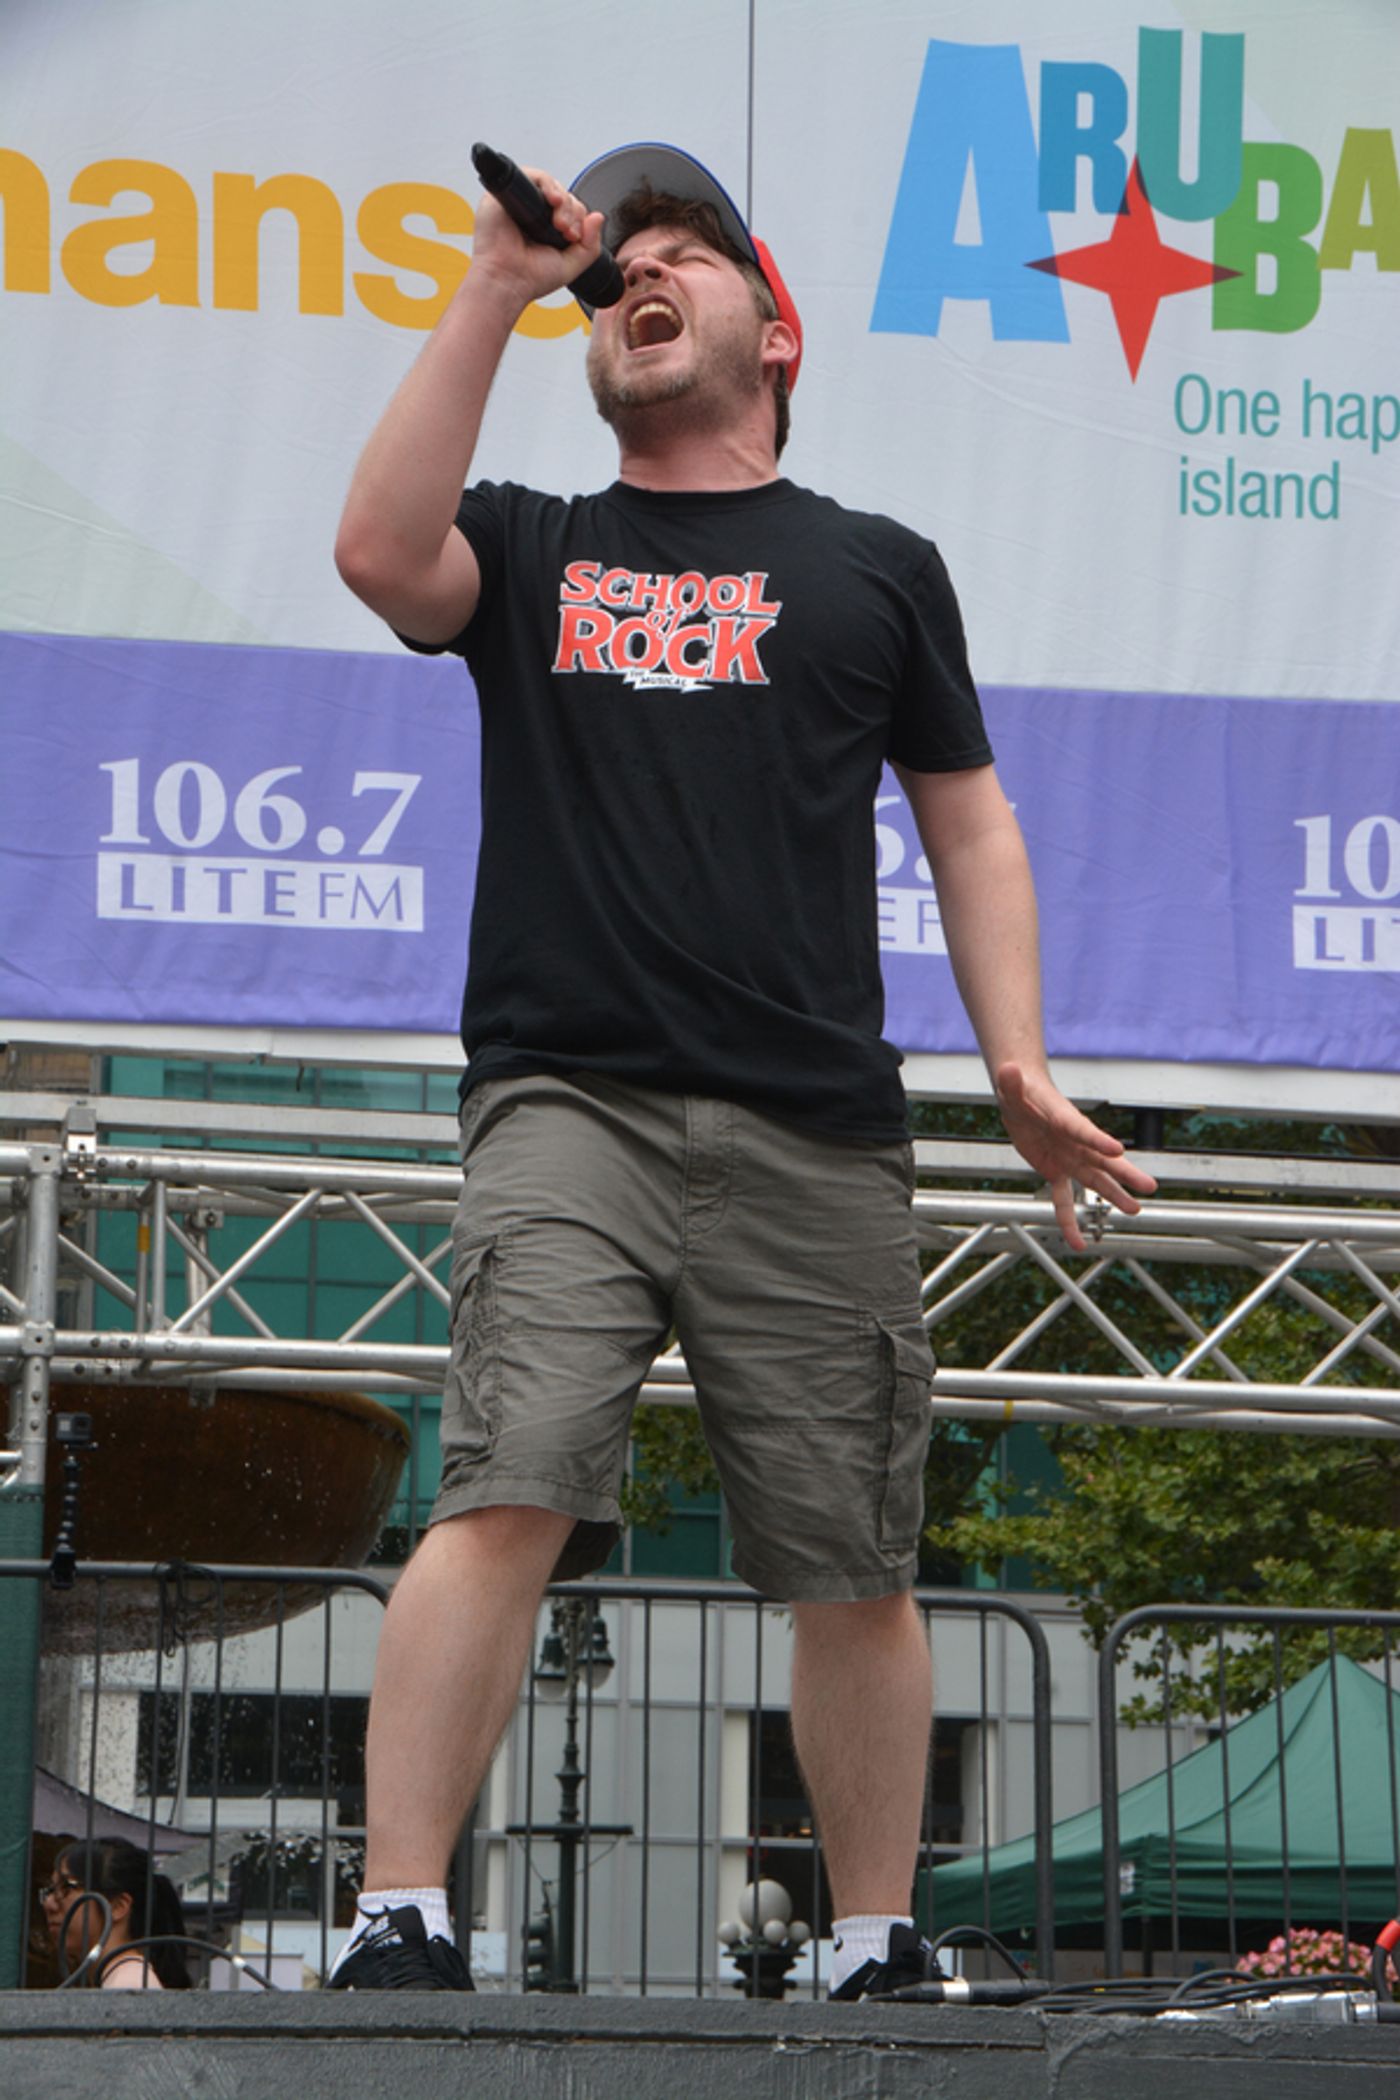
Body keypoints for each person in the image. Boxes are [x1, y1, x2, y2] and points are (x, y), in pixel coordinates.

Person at [329, 142, 1156, 1999]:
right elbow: (382, 553)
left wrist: (1015, 1065)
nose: (638, 280)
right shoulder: (539, 542)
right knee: (504, 1481)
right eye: (611, 271)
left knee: (851, 1549)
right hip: (571, 1103)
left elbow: (977, 829)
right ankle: (400, 1915)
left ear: (774, 330)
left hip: (819, 1127)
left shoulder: (875, 569)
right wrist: (493, 278)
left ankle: (871, 1938)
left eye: (683, 257)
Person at [41, 1836, 193, 1989]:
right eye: (51, 1890)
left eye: (67, 1887)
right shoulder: (119, 1977)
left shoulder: (129, 1982)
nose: (49, 1904)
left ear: (118, 1906)